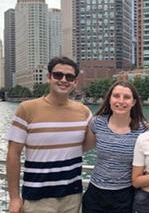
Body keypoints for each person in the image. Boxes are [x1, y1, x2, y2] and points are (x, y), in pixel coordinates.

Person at [6, 56, 92, 213]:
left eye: (69, 77)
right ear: (49, 77)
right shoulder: (26, 109)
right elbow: (13, 153)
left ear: (75, 81)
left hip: (72, 197)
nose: (63, 80)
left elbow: (87, 146)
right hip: (37, 198)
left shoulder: (84, 112)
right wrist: (14, 197)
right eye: (58, 75)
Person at [82, 80, 147, 213]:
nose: (121, 101)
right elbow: (83, 148)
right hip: (95, 193)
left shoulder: (143, 130)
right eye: (116, 96)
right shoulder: (97, 123)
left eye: (127, 97)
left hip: (125, 195)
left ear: (133, 102)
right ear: (109, 99)